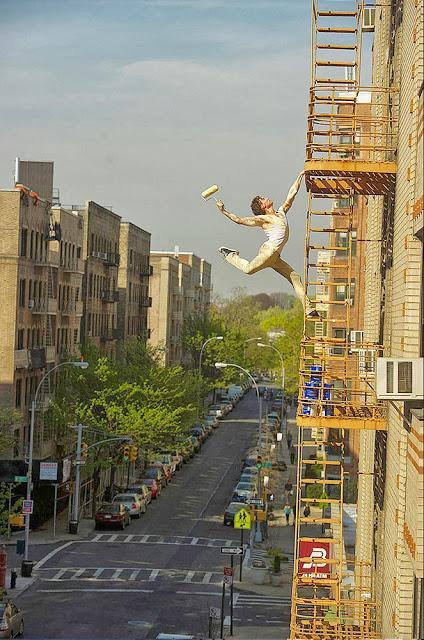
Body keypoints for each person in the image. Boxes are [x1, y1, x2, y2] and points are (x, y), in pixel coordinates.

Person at [216, 171, 320, 318]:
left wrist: (300, 175)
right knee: (248, 270)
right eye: (262, 199)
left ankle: (309, 310)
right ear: (263, 206)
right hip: (268, 252)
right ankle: (230, 254)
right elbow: (239, 220)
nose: (266, 197)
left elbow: (292, 194)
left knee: (295, 277)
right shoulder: (263, 219)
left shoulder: (281, 212)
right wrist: (223, 211)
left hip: (275, 257)